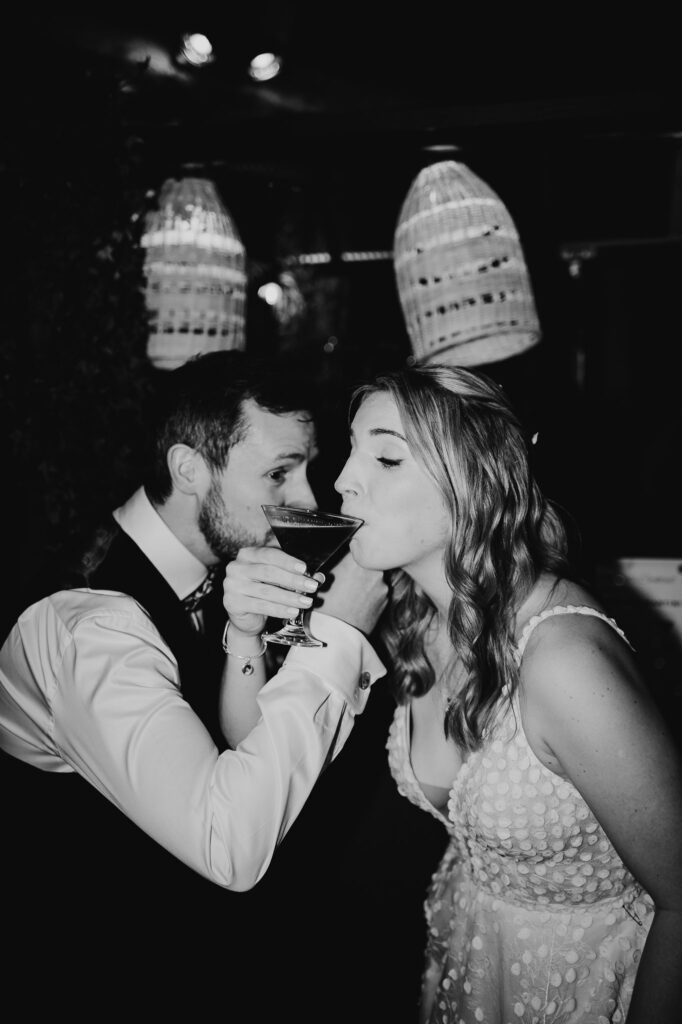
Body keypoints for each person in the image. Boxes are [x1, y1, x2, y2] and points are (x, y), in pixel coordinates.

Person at [222, 363, 682, 1024]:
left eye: (384, 456)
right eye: (352, 452)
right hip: (469, 972)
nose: (344, 480)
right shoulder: (401, 616)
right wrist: (245, 633)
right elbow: (257, 757)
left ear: (473, 478)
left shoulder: (562, 661)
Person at [0, 349, 388, 1015]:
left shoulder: (234, 564)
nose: (308, 501)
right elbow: (227, 847)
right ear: (189, 469)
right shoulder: (90, 628)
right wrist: (342, 637)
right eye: (278, 474)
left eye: (308, 469)